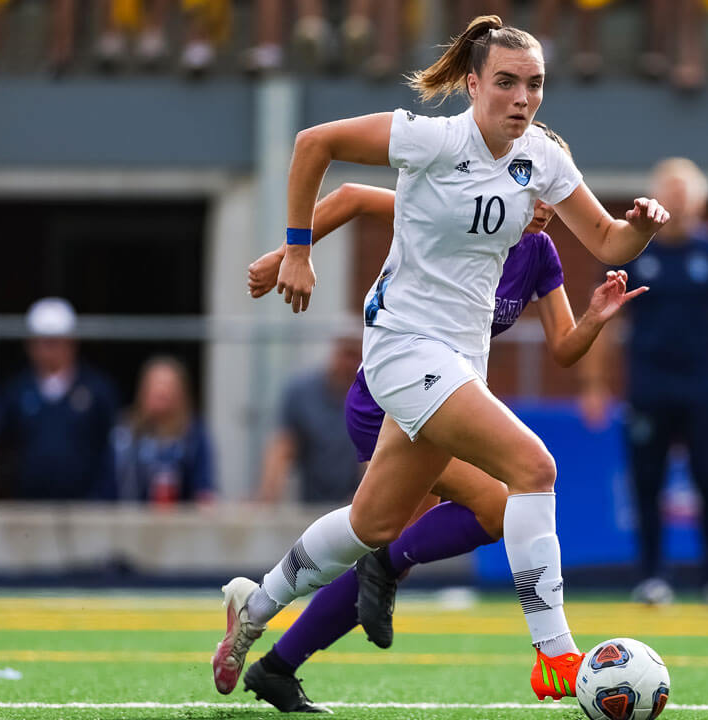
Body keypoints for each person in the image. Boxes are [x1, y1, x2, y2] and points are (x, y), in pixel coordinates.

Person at [210, 15, 668, 704]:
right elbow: (314, 144)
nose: (522, 98)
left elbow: (606, 242)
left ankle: (254, 607)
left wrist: (640, 227)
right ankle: (557, 655)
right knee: (534, 467)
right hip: (401, 347)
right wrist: (297, 251)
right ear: (473, 83)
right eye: (507, 83)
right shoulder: (429, 139)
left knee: (372, 526)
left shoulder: (541, 158)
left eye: (535, 85)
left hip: (458, 361)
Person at [581, 157, 708, 607]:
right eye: (671, 195)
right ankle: (652, 577)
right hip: (647, 387)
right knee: (646, 484)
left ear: (700, 201)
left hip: (703, 388)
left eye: (687, 195)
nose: (679, 204)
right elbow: (605, 318)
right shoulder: (635, 250)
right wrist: (594, 384)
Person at [0, 297, 119, 500]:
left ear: (71, 343)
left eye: (54, 342)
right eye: (42, 342)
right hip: (30, 505)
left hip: (86, 507)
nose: (48, 350)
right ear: (30, 344)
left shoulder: (97, 389)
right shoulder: (18, 389)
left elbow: (114, 447)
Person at [254, 338, 364, 506]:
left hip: (357, 502)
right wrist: (266, 498)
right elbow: (283, 448)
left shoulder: (374, 395)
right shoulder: (301, 392)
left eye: (356, 356)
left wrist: (366, 503)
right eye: (346, 354)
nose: (349, 364)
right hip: (311, 501)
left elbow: (373, 455)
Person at [108, 356, 215, 506]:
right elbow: (107, 486)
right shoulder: (124, 435)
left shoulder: (193, 436)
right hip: (128, 521)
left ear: (181, 393)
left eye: (169, 386)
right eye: (155, 385)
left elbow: (204, 488)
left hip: (178, 522)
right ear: (143, 390)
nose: (161, 392)